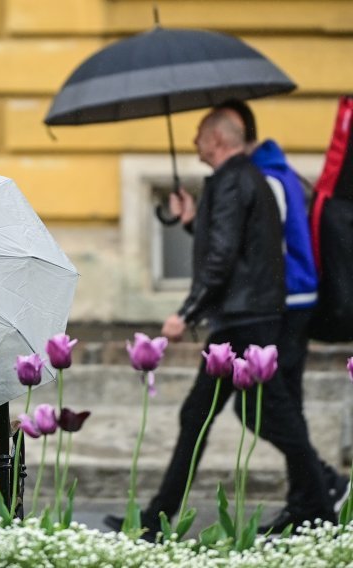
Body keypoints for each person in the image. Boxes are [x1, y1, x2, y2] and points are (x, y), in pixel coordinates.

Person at [104, 107, 335, 538]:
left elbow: (222, 260)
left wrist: (186, 313)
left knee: (272, 418)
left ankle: (323, 505)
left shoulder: (233, 181)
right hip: (246, 318)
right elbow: (238, 248)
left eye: (199, 134)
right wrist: (193, 220)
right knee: (202, 415)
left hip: (244, 323)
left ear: (217, 140)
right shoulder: (247, 179)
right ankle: (157, 518)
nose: (193, 142)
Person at [217, 99, 349, 522]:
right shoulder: (275, 172)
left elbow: (262, 249)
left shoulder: (267, 179)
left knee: (263, 408)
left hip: (285, 307)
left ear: (236, 133)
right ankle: (307, 501)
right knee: (284, 406)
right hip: (290, 303)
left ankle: (323, 484)